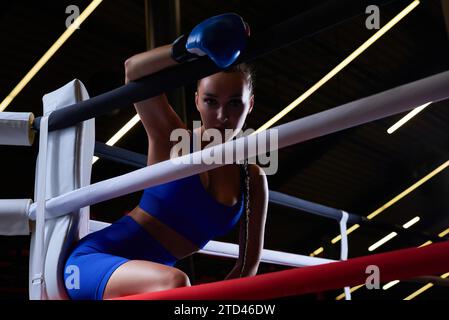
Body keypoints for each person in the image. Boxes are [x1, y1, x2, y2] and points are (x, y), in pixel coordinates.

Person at [64, 13, 268, 300]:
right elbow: (133, 70)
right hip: (94, 263)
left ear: (251, 105)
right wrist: (188, 48)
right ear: (197, 100)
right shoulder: (171, 138)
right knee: (176, 284)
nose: (222, 116)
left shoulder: (253, 178)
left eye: (235, 103)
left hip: (156, 284)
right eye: (211, 101)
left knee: (176, 289)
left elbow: (247, 266)